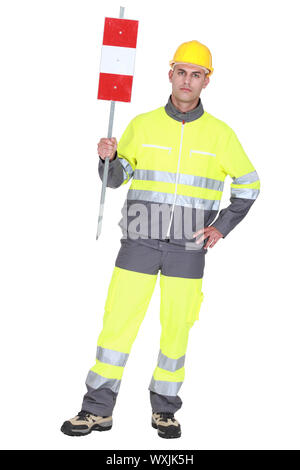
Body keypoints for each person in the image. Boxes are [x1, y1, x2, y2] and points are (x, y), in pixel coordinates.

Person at [61, 40, 260, 439]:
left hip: (188, 248)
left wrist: (220, 226)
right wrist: (107, 159)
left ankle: (164, 411)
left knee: (176, 330)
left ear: (207, 81)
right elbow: (117, 179)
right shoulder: (143, 124)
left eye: (196, 74)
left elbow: (250, 186)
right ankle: (96, 410)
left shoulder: (221, 135)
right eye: (181, 72)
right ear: (170, 74)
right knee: (117, 327)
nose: (188, 80)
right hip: (139, 240)